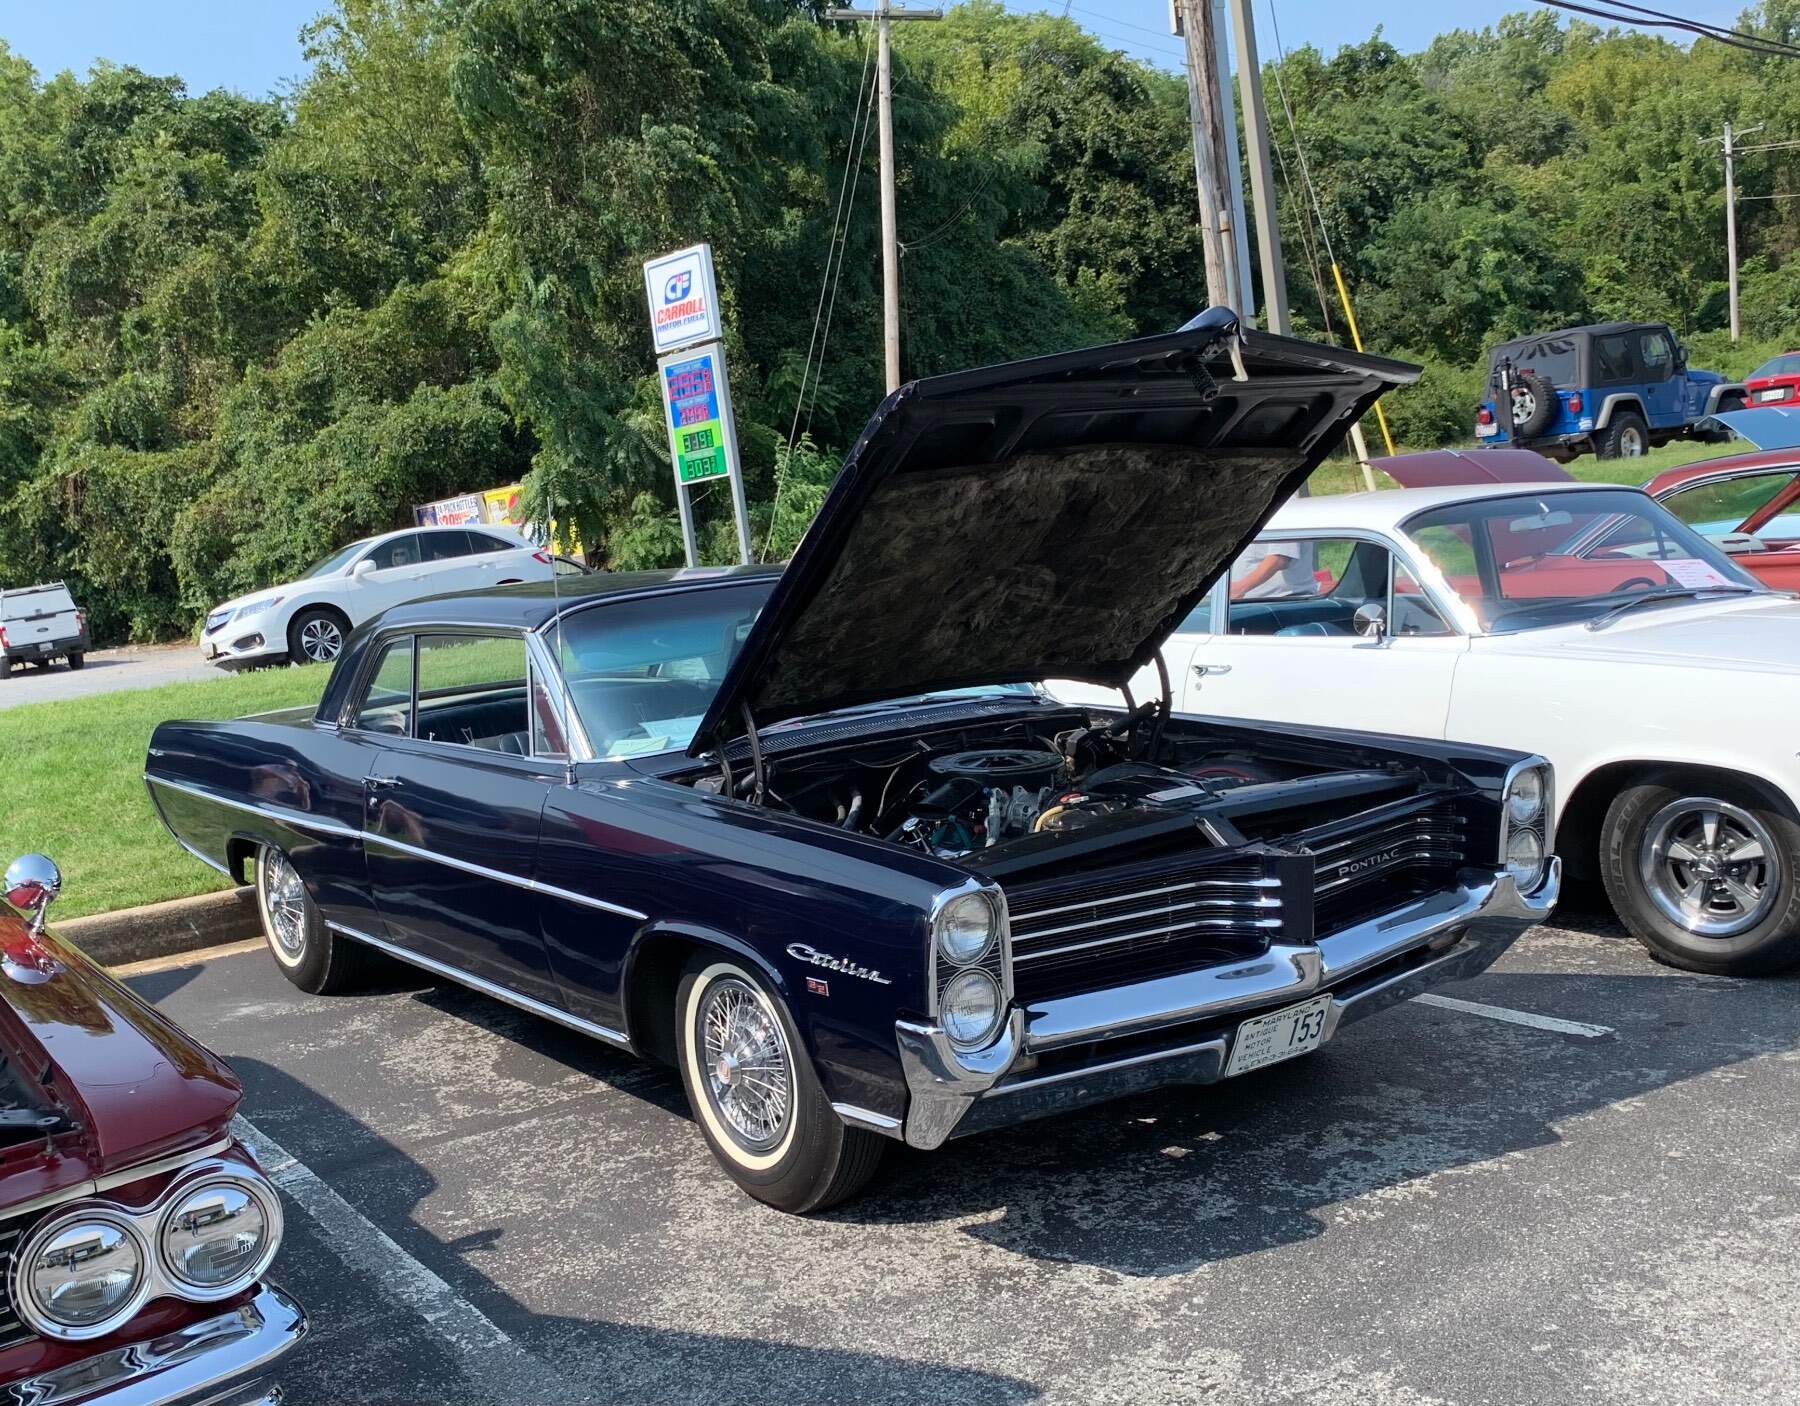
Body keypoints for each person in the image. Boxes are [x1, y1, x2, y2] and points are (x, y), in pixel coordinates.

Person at [1229, 539, 1314, 600]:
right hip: (1251, 601)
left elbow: (1279, 559)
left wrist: (1240, 588)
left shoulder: (1281, 515)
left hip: (1281, 602)